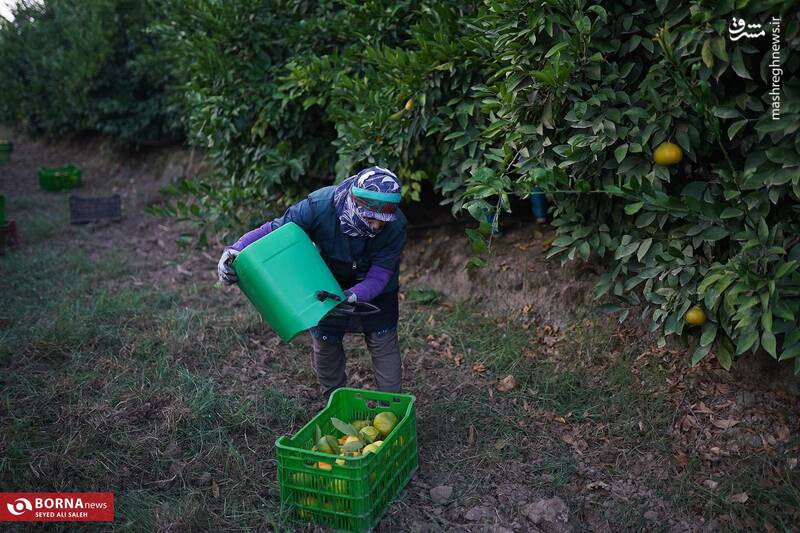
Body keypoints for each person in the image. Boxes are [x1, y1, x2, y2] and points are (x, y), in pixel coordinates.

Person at [217, 166, 407, 397]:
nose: (376, 226)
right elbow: (275, 229)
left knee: (383, 340)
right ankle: (334, 401)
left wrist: (354, 295)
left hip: (375, 288)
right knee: (326, 341)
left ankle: (392, 405)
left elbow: (379, 274)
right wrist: (235, 250)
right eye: (370, 217)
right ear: (354, 203)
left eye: (383, 221)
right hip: (327, 277)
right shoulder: (319, 206)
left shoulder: (396, 225)